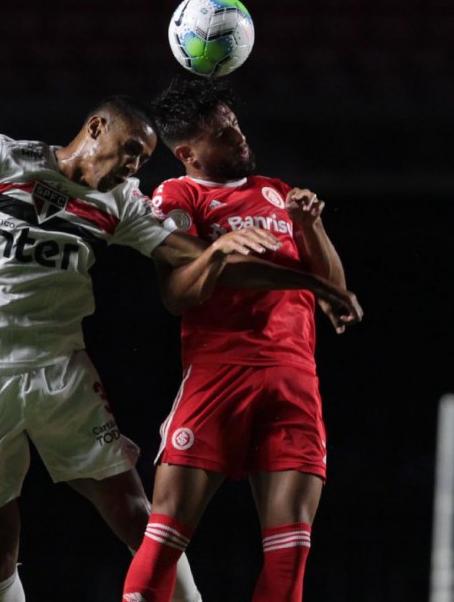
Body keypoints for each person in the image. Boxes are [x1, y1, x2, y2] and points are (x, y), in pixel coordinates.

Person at [0, 95, 361, 602]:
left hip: (61, 375)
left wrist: (312, 285)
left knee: (139, 513)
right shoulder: (1, 158)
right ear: (95, 128)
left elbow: (196, 260)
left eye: (143, 158)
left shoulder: (123, 203)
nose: (135, 166)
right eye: (130, 150)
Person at [122, 76, 362, 602]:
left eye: (235, 126)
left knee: (290, 557)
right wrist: (217, 250)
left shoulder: (276, 191)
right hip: (218, 376)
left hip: (294, 381)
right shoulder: (178, 195)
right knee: (164, 541)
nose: (240, 138)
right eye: (224, 134)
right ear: (188, 152)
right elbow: (176, 297)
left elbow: (334, 293)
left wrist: (310, 227)